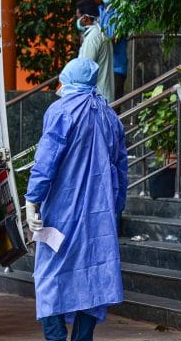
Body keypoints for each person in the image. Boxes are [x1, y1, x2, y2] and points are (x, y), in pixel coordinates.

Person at [25, 58, 128, 341]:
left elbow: (46, 161)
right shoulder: (109, 117)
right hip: (99, 217)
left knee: (49, 279)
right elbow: (121, 170)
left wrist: (32, 200)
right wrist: (114, 209)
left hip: (61, 212)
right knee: (92, 284)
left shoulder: (60, 111)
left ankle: (56, 337)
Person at [75, 0, 114, 102]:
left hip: (96, 99)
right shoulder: (99, 34)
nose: (77, 21)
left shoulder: (92, 38)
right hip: (101, 96)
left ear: (85, 18)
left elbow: (85, 70)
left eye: (78, 17)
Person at [98, 0, 128, 104]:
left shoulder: (122, 13)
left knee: (113, 105)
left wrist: (97, 42)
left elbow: (116, 39)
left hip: (116, 67)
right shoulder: (99, 12)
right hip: (100, 67)